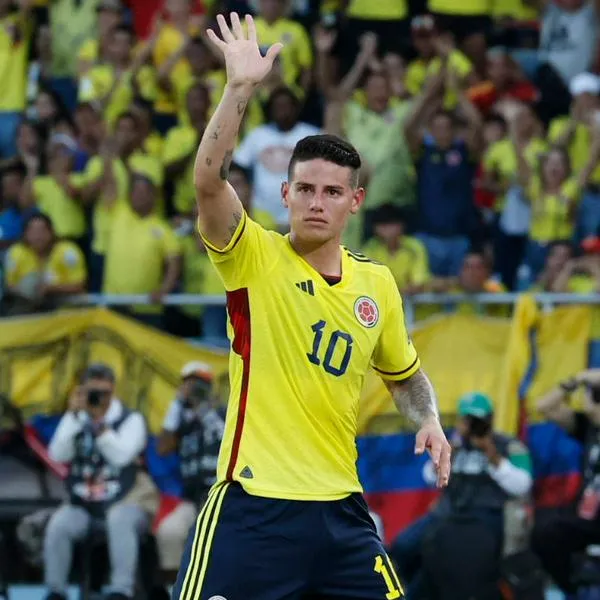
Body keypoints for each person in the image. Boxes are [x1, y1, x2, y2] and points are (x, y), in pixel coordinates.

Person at [171, 13, 451, 600]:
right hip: (253, 508)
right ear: (285, 194)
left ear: (356, 201)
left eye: (330, 192)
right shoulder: (253, 255)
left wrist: (428, 419)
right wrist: (238, 90)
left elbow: (404, 376)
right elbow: (207, 183)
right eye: (305, 189)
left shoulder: (377, 286)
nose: (315, 203)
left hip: (341, 512)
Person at [390, 392, 533, 599]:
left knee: (460, 558)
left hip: (484, 517)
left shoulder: (508, 446)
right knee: (404, 546)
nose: (472, 425)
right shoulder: (452, 445)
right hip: (447, 514)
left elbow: (522, 486)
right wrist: (448, 453)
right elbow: (429, 477)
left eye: (478, 421)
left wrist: (492, 455)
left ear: (490, 420)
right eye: (468, 420)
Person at [43, 363, 159, 600]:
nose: (98, 398)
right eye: (92, 392)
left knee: (119, 519)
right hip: (85, 503)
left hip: (127, 499)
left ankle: (120, 591)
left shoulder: (131, 419)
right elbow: (57, 454)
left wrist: (100, 426)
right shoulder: (76, 417)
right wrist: (73, 417)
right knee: (59, 525)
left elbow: (122, 455)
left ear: (113, 390)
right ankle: (56, 592)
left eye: (103, 393)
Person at [155, 361, 225, 582]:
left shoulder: (222, 413)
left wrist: (203, 409)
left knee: (214, 541)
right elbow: (163, 448)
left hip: (218, 495)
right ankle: (173, 591)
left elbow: (226, 439)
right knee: (169, 531)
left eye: (199, 384)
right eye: (188, 384)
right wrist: (176, 405)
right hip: (190, 497)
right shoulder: (181, 420)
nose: (193, 389)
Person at [533, 369, 600, 594]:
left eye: (590, 393)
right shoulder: (588, 428)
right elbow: (544, 406)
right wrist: (575, 381)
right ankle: (570, 587)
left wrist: (592, 378)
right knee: (544, 533)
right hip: (586, 515)